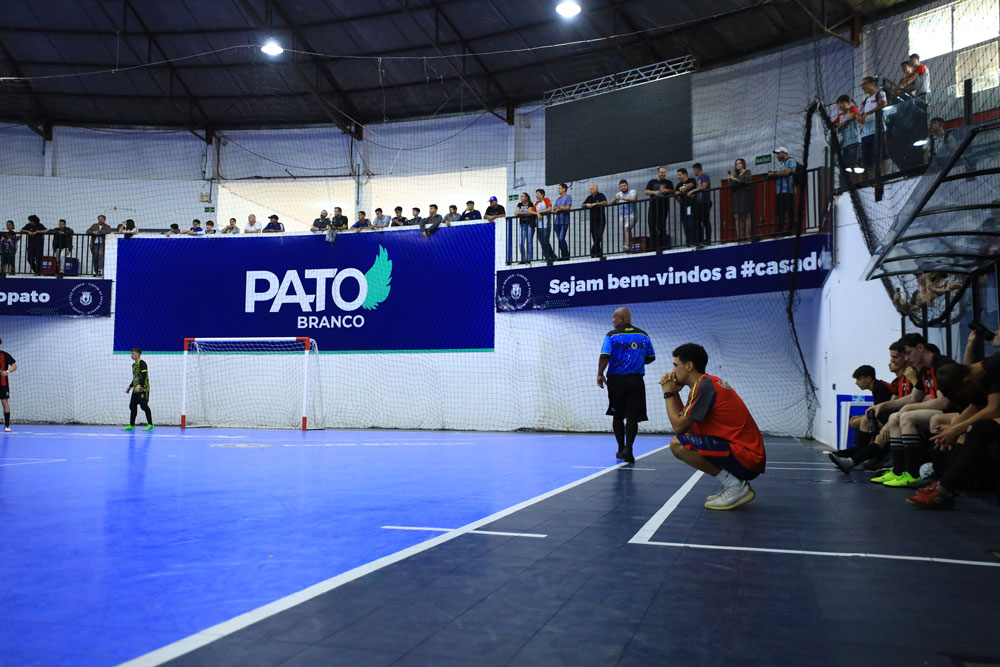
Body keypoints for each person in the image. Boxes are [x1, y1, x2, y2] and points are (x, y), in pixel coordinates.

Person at [660, 342, 766, 510]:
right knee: (685, 439)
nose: (673, 371)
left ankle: (735, 486)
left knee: (678, 444)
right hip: (746, 455)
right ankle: (733, 485)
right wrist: (674, 393)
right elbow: (686, 426)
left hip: (746, 457)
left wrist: (667, 393)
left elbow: (679, 428)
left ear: (689, 366)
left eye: (675, 365)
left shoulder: (704, 386)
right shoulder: (704, 384)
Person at [908, 353, 1000, 509]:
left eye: (964, 394)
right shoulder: (976, 378)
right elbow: (976, 405)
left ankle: (944, 489)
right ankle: (944, 486)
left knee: (977, 429)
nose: (967, 397)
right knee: (961, 425)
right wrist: (956, 426)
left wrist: (956, 429)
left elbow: (993, 410)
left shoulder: (995, 366)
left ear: (966, 381)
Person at [597, 307, 655, 464]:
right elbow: (650, 357)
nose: (612, 321)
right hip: (636, 380)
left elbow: (605, 355)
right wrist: (635, 360)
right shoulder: (643, 335)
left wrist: (600, 373)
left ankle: (620, 448)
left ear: (622, 319)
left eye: (614, 318)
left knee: (617, 415)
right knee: (633, 416)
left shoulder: (612, 335)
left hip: (616, 380)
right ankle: (629, 450)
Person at [828, 365, 895, 473]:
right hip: (887, 419)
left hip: (890, 421)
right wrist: (860, 417)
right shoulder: (877, 387)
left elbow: (883, 412)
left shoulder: (879, 388)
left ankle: (852, 458)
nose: (856, 383)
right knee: (864, 420)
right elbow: (878, 410)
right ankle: (846, 456)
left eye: (859, 379)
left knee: (865, 421)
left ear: (868, 378)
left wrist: (860, 419)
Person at [857, 76, 888, 180]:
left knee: (883, 155)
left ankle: (884, 177)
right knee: (869, 160)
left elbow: (883, 104)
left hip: (878, 130)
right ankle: (872, 180)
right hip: (865, 134)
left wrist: (867, 113)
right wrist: (858, 117)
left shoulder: (880, 94)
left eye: (865, 84)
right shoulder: (864, 102)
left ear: (872, 84)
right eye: (862, 85)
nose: (863, 87)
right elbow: (860, 115)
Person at [766, 148, 797, 233]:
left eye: (778, 154)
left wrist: (773, 174)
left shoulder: (790, 161)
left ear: (784, 153)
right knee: (780, 211)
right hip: (781, 191)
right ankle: (781, 228)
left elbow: (786, 172)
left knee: (789, 210)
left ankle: (790, 228)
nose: (777, 156)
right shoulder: (782, 164)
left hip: (788, 190)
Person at [123, 347, 153, 431]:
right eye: (131, 353)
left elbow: (144, 376)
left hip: (143, 388)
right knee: (132, 406)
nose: (131, 355)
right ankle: (132, 425)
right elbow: (135, 377)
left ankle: (150, 424)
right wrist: (130, 386)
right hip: (135, 389)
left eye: (133, 353)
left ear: (138, 354)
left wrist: (140, 385)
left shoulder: (142, 363)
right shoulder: (134, 365)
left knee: (143, 406)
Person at [833, 95, 862, 182]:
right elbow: (834, 124)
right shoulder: (840, 115)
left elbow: (852, 116)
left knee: (854, 163)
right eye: (838, 104)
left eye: (842, 103)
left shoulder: (852, 109)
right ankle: (854, 183)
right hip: (845, 143)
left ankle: (859, 182)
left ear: (848, 103)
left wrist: (841, 124)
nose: (840, 105)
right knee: (849, 166)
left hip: (854, 141)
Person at [644, 167, 673, 251]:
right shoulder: (652, 182)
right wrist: (654, 192)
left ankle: (662, 246)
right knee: (652, 226)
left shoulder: (668, 182)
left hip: (663, 208)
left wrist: (665, 190)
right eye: (661, 172)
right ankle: (653, 246)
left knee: (662, 227)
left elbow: (673, 191)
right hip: (653, 208)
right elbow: (646, 191)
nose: (663, 174)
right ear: (658, 173)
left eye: (664, 172)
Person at [728, 159, 753, 240]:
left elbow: (746, 181)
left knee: (746, 215)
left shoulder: (747, 172)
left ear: (743, 164)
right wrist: (730, 181)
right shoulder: (736, 175)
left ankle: (747, 236)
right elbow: (732, 187)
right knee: (737, 216)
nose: (737, 165)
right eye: (736, 164)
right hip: (736, 197)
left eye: (739, 163)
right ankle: (739, 236)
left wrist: (734, 179)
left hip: (744, 196)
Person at [582, 184, 607, 258]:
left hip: (601, 220)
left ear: (596, 189)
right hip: (593, 221)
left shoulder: (600, 195)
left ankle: (593, 251)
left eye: (592, 189)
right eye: (590, 189)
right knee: (595, 238)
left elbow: (605, 202)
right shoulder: (589, 197)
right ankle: (599, 254)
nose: (590, 190)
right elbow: (582, 205)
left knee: (598, 236)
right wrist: (587, 205)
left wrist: (596, 204)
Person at [675, 168, 697, 246]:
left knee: (691, 223)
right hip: (683, 207)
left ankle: (694, 242)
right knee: (685, 225)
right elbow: (677, 196)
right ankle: (688, 243)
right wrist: (679, 197)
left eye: (680, 174)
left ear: (685, 174)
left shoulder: (691, 180)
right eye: (678, 175)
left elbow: (689, 185)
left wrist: (681, 191)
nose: (678, 176)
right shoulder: (678, 185)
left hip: (691, 206)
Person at [691, 163, 712, 245]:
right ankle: (700, 239)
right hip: (699, 203)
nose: (694, 172)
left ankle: (708, 239)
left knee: (706, 221)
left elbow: (704, 186)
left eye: (694, 170)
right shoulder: (698, 179)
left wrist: (693, 191)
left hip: (705, 202)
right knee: (698, 222)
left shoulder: (704, 176)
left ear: (697, 169)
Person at [615, 179, 638, 251]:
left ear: (627, 185)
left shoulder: (632, 191)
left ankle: (627, 245)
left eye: (624, 186)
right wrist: (615, 198)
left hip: (632, 214)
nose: (623, 187)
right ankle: (630, 247)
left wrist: (622, 198)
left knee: (626, 228)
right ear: (619, 187)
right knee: (626, 230)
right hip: (622, 216)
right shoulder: (618, 194)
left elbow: (633, 198)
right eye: (621, 186)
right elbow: (612, 203)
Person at [552, 183, 572, 260]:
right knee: (560, 239)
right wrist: (559, 208)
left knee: (561, 238)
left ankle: (566, 255)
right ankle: (564, 255)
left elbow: (568, 207)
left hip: (564, 221)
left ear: (564, 189)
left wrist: (560, 208)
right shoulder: (558, 199)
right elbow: (554, 208)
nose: (558, 190)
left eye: (560, 188)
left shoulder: (568, 197)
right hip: (557, 222)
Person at [533, 189, 554, 261]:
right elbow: (531, 211)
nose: (536, 195)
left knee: (546, 241)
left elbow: (549, 209)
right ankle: (551, 256)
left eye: (538, 194)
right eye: (536, 194)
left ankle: (548, 257)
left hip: (546, 225)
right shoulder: (536, 203)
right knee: (542, 242)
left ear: (542, 195)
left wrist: (539, 212)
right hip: (539, 226)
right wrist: (537, 213)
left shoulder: (546, 200)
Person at [0, 338, 16, 432]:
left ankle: (7, 425)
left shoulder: (4, 355)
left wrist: (8, 371)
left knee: (5, 402)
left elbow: (14, 365)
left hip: (3, 383)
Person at [515, 193, 536, 263]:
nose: (521, 198)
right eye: (520, 196)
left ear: (527, 197)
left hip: (530, 224)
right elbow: (516, 213)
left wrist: (520, 212)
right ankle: (523, 258)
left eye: (522, 196)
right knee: (521, 242)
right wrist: (525, 212)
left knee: (529, 242)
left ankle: (529, 259)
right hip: (522, 225)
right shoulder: (519, 204)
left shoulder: (530, 204)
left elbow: (529, 212)